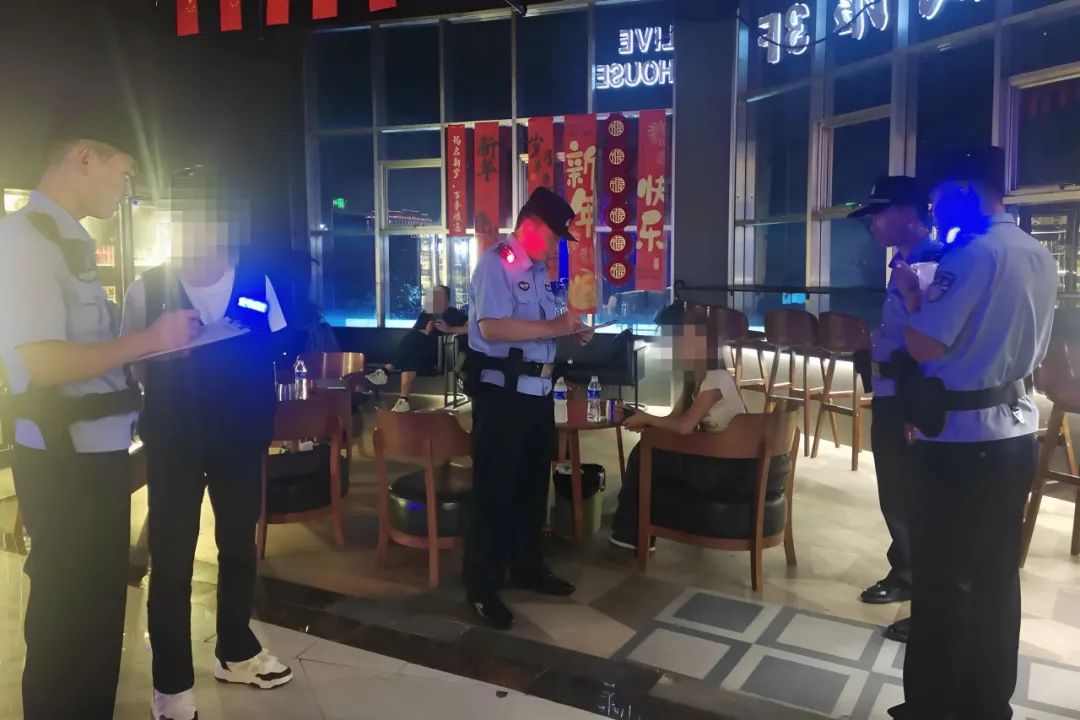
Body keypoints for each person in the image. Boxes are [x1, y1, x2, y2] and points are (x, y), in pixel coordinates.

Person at [0, 115, 200, 719]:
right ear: (85, 157)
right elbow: (40, 362)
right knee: (69, 623)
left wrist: (151, 350)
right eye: (125, 171)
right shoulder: (23, 240)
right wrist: (148, 340)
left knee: (95, 622)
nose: (127, 188)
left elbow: (88, 360)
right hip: (64, 464)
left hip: (94, 459)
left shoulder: (69, 243)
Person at [887, 147, 1056, 719]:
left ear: (963, 189)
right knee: (996, 577)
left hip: (961, 438)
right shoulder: (1038, 253)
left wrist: (911, 293)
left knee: (942, 580)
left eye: (938, 197)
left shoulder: (972, 254)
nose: (934, 207)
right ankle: (988, 704)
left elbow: (923, 344)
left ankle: (934, 707)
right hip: (1015, 433)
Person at [120, 167, 291, 720]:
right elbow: (133, 362)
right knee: (171, 556)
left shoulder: (258, 280)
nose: (200, 231)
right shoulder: (148, 287)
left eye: (210, 219)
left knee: (239, 545)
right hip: (174, 438)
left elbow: (277, 342)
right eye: (187, 219)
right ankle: (171, 684)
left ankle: (235, 650)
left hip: (241, 435)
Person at [463, 187, 593, 630]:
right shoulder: (495, 264)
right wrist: (554, 325)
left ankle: (527, 566)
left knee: (532, 488)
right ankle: (481, 586)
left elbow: (539, 328)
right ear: (530, 226)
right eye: (554, 237)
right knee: (494, 490)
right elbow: (493, 328)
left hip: (538, 394)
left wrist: (569, 330)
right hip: (503, 395)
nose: (556, 246)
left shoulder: (537, 272)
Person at [847, 177, 942, 645]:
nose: (873, 224)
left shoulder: (930, 263)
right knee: (896, 493)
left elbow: (932, 340)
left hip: (909, 397)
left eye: (879, 214)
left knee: (910, 496)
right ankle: (905, 571)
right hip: (891, 391)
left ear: (908, 213)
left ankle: (925, 593)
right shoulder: (903, 262)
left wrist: (912, 410)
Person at [609, 301, 757, 550]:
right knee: (647, 449)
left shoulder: (716, 378)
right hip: (715, 459)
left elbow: (684, 427)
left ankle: (633, 532)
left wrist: (647, 420)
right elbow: (674, 419)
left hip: (730, 469)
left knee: (646, 455)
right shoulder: (694, 381)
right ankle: (639, 529)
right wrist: (641, 416)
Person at [367, 284, 468, 412]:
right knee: (411, 354)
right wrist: (426, 331)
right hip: (420, 355)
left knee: (413, 340)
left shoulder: (452, 313)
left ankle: (386, 370)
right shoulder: (425, 314)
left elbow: (471, 328)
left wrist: (449, 329)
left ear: (446, 300)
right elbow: (416, 334)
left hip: (439, 356)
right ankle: (403, 400)